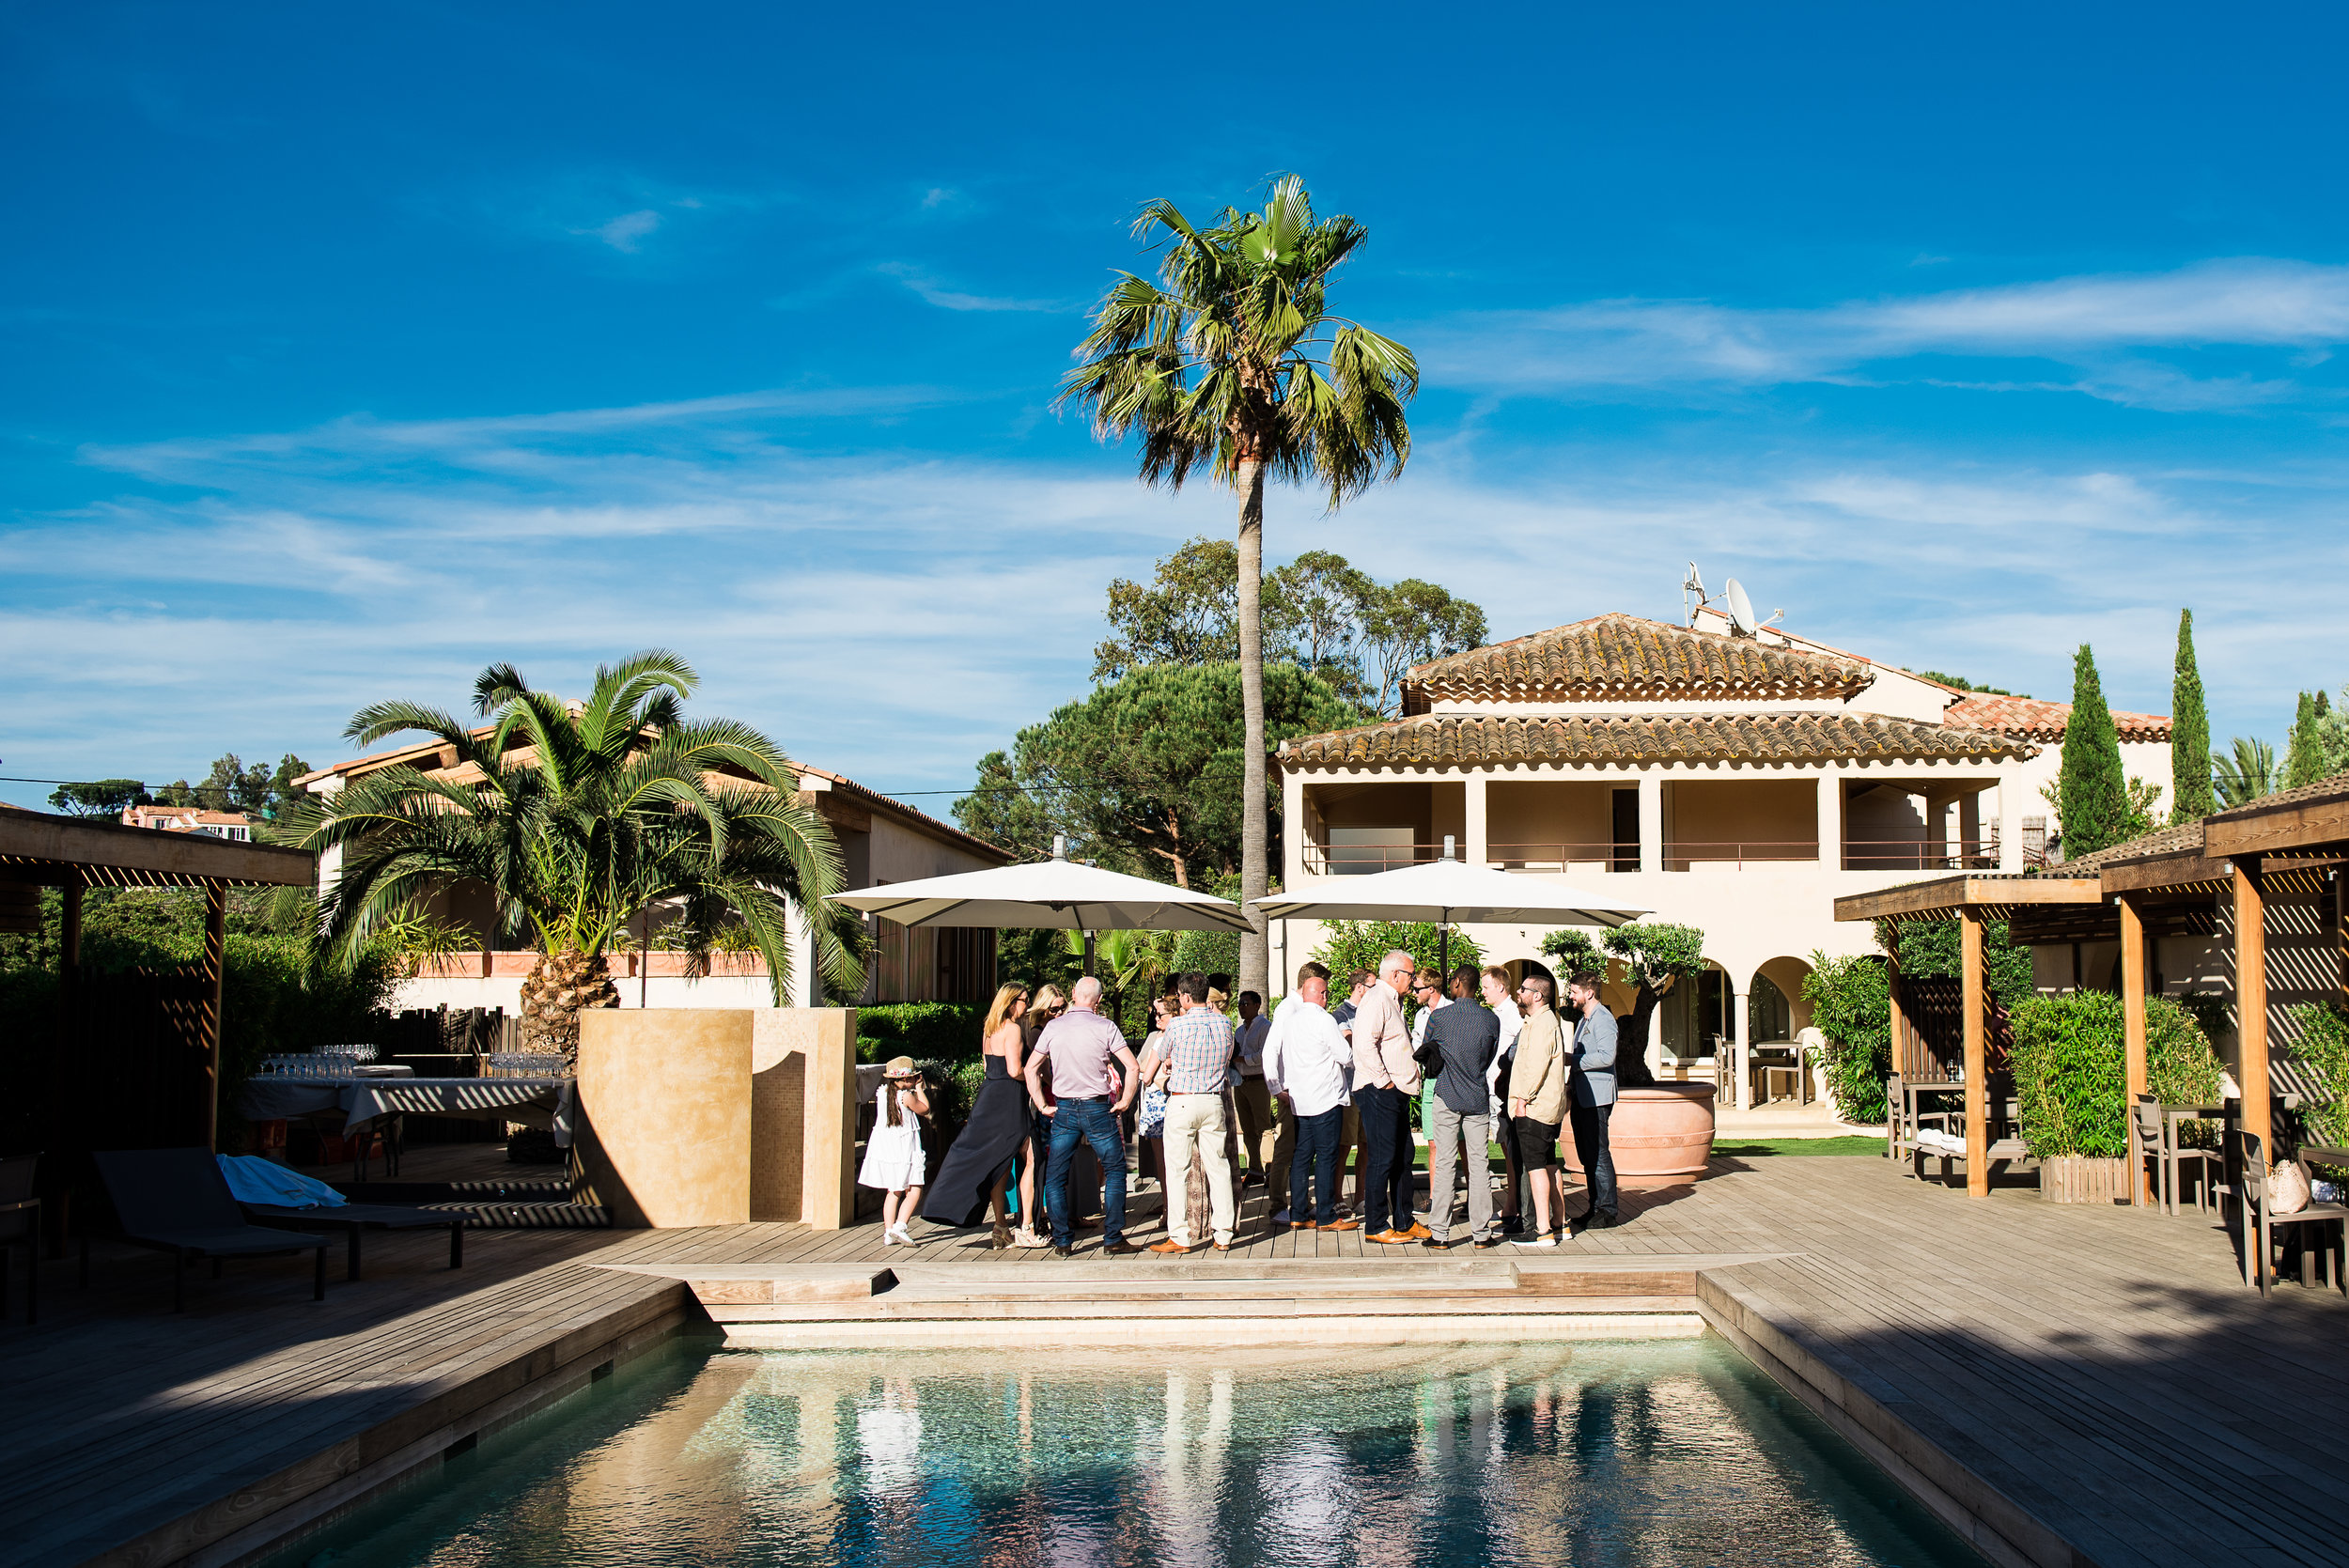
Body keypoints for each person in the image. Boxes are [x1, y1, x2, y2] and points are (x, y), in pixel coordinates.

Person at [922, 983, 1046, 1249]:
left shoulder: (989, 1030)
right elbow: (1014, 1070)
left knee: (999, 1161)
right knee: (1032, 1157)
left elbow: (989, 1065)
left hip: (989, 1095)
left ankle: (1001, 1225)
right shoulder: (1012, 1029)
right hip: (1009, 1098)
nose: (1027, 1006)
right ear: (1012, 1002)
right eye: (1024, 1000)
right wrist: (1037, 1076)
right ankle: (1026, 1226)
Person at [1025, 976, 1142, 1258]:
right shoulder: (1106, 1027)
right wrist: (1125, 1101)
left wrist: (1042, 1104)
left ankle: (1063, 1240)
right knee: (1114, 1171)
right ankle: (1112, 1237)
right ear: (1099, 1000)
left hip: (1064, 1108)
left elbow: (1031, 1069)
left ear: (1074, 994)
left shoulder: (1053, 1027)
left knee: (1056, 1176)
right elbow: (1132, 1066)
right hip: (1097, 1107)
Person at [1262, 960, 1356, 1232]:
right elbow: (1346, 1056)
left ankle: (1299, 1212)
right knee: (1326, 1156)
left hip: (1300, 1099)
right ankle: (1326, 1215)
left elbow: (1276, 1052)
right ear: (1318, 993)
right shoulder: (1324, 1020)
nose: (1327, 997)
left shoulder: (1290, 1020)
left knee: (1302, 1156)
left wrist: (1278, 1085)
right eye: (1325, 992)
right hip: (1325, 1097)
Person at [1151, 970, 1238, 1253]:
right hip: (1213, 1098)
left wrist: (1172, 1065)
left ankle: (1179, 1234)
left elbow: (1163, 1055)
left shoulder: (1176, 1026)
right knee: (1219, 1165)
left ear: (1186, 997)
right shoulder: (1226, 1024)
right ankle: (1223, 1233)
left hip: (1183, 1098)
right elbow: (1227, 1057)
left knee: (1177, 1169)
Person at [1419, 970, 1500, 1250]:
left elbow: (1426, 1047)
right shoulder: (1491, 1019)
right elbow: (1490, 1056)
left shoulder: (1440, 1018)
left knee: (1444, 1163)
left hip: (1447, 1094)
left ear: (1456, 983)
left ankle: (1440, 1231)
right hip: (1476, 1096)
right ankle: (1482, 1233)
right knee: (1479, 1165)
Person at [1352, 949, 1425, 1245]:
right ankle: (1376, 1225)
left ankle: (1404, 1221)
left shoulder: (1392, 1001)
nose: (1414, 980)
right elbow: (1363, 1044)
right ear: (1395, 975)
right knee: (1382, 1158)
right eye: (1410, 975)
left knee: (1403, 1156)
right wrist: (1385, 1083)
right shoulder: (1377, 999)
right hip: (1379, 1091)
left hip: (1394, 1091)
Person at [1508, 972, 1567, 1249]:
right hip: (1543, 1107)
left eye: (1523, 989)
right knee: (1549, 1163)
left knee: (1534, 1168)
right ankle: (1560, 1222)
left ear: (1537, 995)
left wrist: (1522, 1100)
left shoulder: (1543, 1023)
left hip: (1535, 1108)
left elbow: (1536, 1067)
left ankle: (1542, 1229)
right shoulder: (1539, 1021)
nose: (1518, 992)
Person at [1564, 970, 1622, 1234]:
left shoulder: (1603, 1019)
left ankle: (1607, 1210)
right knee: (1587, 1154)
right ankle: (1595, 1205)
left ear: (1589, 992)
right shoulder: (1584, 1020)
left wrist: (1571, 1062)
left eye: (1574, 991)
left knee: (1598, 1153)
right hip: (1582, 1096)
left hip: (1597, 1098)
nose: (1571, 995)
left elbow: (1606, 1057)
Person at [858, 1057, 930, 1246]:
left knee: (894, 1191)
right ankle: (901, 1226)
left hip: (890, 1149)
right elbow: (924, 1109)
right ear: (906, 1080)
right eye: (913, 1078)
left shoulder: (882, 1093)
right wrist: (920, 1090)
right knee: (914, 1189)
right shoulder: (906, 1097)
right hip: (906, 1148)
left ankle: (888, 1231)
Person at [1479, 966, 1526, 1234]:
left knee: (1511, 1148)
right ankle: (1512, 1204)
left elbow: (1521, 1048)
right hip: (1494, 1090)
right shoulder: (1497, 1014)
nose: (1483, 991)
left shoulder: (1511, 1015)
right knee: (1506, 1148)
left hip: (1505, 1091)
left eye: (1486, 986)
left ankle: (1515, 1205)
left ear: (1500, 987)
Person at [1330, 970, 1374, 1218]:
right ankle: (1337, 1197)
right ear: (1359, 987)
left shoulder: (1372, 1011)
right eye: (1371, 986)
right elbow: (1350, 1041)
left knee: (1366, 1146)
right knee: (1344, 1146)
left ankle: (1361, 1197)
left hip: (1369, 1087)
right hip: (1349, 1088)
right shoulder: (1341, 1013)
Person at [1232, 990, 1275, 1192]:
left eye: (1246, 1003)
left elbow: (1264, 1055)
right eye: (1240, 1003)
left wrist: (1243, 1059)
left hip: (1258, 1081)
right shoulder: (1240, 1031)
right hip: (1241, 1082)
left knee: (1264, 1127)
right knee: (1247, 1129)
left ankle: (1269, 1169)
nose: (1242, 1007)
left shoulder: (1265, 1028)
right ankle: (1254, 1169)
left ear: (1257, 1005)